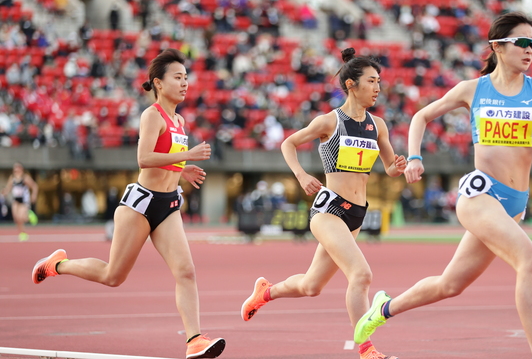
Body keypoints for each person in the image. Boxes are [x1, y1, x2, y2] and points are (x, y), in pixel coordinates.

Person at [353, 12, 532, 359]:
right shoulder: (474, 89)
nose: (530, 51)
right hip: (481, 196)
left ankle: (382, 309)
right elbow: (421, 116)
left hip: (514, 204)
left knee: (450, 285)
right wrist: (415, 156)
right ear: (498, 46)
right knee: (531, 261)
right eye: (523, 43)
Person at [31, 49, 225, 359]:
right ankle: (58, 265)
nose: (185, 83)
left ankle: (194, 340)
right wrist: (186, 156)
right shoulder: (152, 115)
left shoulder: (180, 119)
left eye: (187, 78)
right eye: (178, 78)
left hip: (169, 205)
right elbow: (144, 158)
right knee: (113, 276)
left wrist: (181, 171)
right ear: (158, 84)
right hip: (141, 205)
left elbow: (164, 160)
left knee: (186, 272)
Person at [240, 47, 407, 359]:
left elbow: (388, 167)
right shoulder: (329, 122)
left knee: (311, 286)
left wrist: (397, 168)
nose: (378, 88)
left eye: (379, 82)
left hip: (357, 214)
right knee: (361, 275)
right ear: (351, 85)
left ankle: (265, 292)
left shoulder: (378, 125)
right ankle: (366, 349)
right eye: (371, 81)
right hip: (329, 211)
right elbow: (288, 143)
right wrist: (302, 175)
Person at [1, 162, 38, 241]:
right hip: (16, 200)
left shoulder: (25, 178)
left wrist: (34, 195)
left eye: (18, 168)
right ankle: (22, 233)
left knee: (21, 218)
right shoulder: (12, 178)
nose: (16, 170)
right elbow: (8, 188)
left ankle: (29, 215)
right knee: (16, 218)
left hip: (24, 200)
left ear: (21, 169)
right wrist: (4, 192)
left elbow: (34, 186)